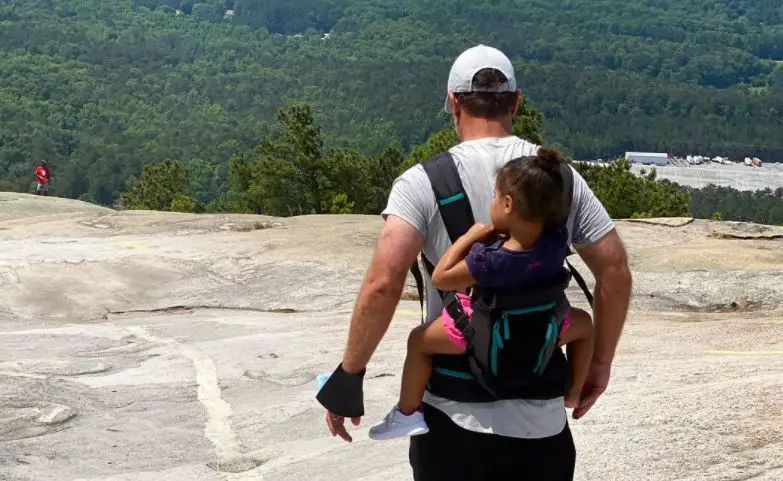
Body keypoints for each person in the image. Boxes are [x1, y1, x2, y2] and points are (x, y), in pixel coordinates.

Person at [317, 44, 632, 481]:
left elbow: (384, 283)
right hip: (542, 423)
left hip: (453, 423)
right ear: (517, 101)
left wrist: (349, 376)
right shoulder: (557, 180)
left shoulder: (423, 181)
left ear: (453, 102)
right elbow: (614, 271)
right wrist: (598, 365)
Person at [368, 148, 594, 440]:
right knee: (586, 326)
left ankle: (408, 413)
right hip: (545, 324)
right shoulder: (556, 241)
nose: (493, 204)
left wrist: (469, 237)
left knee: (418, 341)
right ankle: (573, 393)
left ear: (509, 204)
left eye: (496, 198)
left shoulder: (491, 259)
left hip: (485, 330)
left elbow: (442, 278)